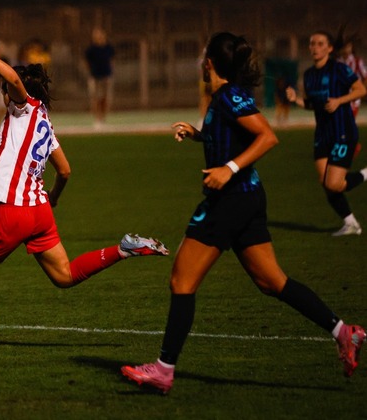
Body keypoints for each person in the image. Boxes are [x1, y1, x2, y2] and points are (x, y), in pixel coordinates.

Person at [122, 32, 365, 395]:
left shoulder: (230, 95)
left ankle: (163, 370)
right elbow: (228, 136)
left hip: (231, 200)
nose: (202, 64)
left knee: (181, 281)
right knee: (273, 282)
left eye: (204, 58)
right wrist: (198, 136)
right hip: (247, 199)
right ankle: (343, 331)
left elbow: (267, 136)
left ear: (209, 63)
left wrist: (229, 169)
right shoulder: (223, 98)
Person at [0, 34, 169, 354]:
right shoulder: (45, 123)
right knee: (64, 275)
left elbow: (11, 77)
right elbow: (65, 170)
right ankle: (123, 249)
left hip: (14, 211)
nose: (5, 96)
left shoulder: (22, 109)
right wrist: (53, 197)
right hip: (40, 212)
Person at [284, 29, 367, 236]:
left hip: (343, 132)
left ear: (330, 48)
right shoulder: (309, 75)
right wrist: (296, 100)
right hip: (322, 134)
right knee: (325, 182)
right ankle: (351, 224)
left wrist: (339, 100)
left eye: (320, 44)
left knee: (334, 183)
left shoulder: (339, 69)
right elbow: (313, 104)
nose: (315, 47)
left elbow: (361, 90)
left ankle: (366, 174)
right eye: (312, 43)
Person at [84, 27, 115, 130]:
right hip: (95, 76)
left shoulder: (108, 48)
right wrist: (90, 71)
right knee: (95, 98)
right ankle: (97, 118)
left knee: (105, 98)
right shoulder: (91, 49)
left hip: (106, 75)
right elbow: (86, 61)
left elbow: (111, 60)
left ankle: (103, 118)